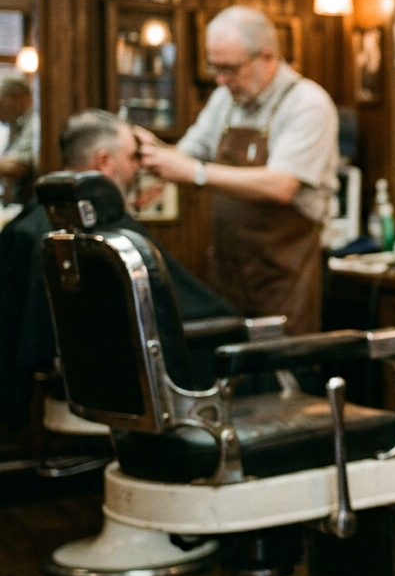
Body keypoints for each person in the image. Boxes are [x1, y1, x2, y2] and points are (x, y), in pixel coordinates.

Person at [0, 110, 234, 430]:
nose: (137, 167)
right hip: (126, 384)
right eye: (132, 157)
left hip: (70, 380)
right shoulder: (110, 230)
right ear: (105, 161)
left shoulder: (32, 223)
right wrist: (239, 327)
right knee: (236, 344)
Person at [137, 5, 338, 335]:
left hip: (286, 277)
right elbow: (185, 155)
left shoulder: (307, 103)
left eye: (230, 69)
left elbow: (281, 185)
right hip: (230, 272)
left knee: (286, 376)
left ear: (267, 56)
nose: (221, 80)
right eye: (215, 68)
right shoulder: (224, 101)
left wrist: (196, 173)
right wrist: (151, 151)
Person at [0, 72, 37, 204]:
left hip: (34, 206)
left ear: (18, 98)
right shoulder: (15, 127)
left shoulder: (34, 123)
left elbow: (17, 167)